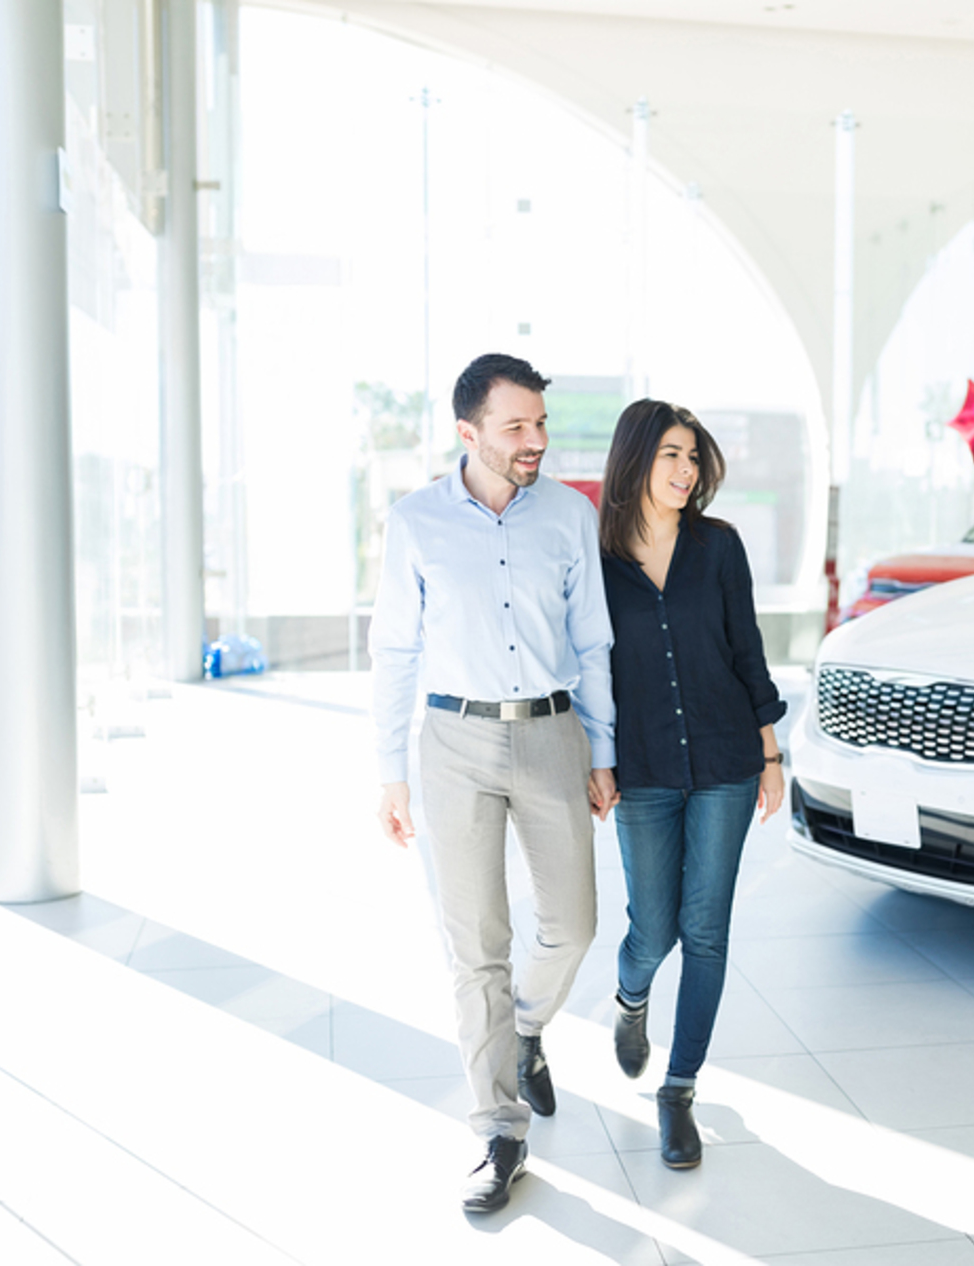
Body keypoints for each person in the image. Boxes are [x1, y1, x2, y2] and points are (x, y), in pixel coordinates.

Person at [369, 353, 618, 1215]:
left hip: (553, 732)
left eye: (541, 423)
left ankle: (527, 1027)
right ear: (467, 432)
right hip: (454, 740)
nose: (535, 441)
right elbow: (395, 650)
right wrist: (388, 771)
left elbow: (593, 641)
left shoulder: (570, 516)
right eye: (517, 427)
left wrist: (603, 750)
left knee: (575, 923)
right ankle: (498, 1130)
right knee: (476, 945)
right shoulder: (416, 523)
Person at [597, 399, 786, 1169]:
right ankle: (630, 997)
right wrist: (593, 758)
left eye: (693, 457)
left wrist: (771, 754)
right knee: (654, 929)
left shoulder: (719, 546)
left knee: (706, 931)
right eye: (671, 454)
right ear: (636, 459)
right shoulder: (598, 555)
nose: (686, 470)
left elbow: (748, 648)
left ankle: (679, 1091)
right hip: (641, 766)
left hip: (726, 761)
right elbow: (587, 666)